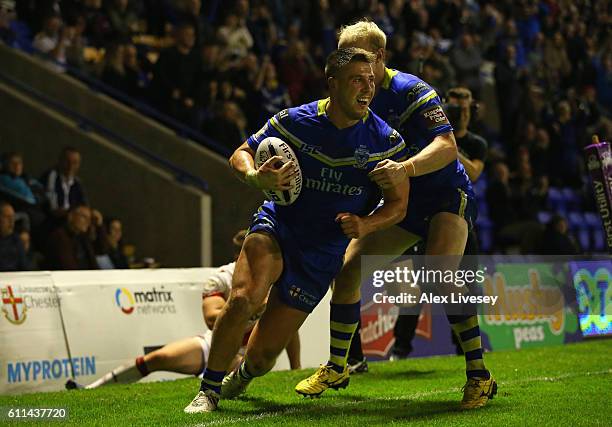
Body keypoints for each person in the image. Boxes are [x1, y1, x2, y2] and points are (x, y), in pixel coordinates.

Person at [184, 47, 409, 414]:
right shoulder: (294, 120)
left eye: (371, 80)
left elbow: (399, 205)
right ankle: (208, 390)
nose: (367, 89)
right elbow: (241, 152)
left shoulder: (386, 142)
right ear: (333, 83)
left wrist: (367, 224)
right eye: (357, 80)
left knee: (263, 358)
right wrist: (256, 177)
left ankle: (241, 376)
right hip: (279, 225)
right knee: (243, 298)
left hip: (322, 253)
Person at [296, 21, 496, 410]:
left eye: (360, 57)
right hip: (401, 203)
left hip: (443, 195)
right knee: (349, 267)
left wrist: (404, 170)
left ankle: (479, 375)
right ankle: (339, 365)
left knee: (437, 273)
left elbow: (446, 145)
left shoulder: (413, 90)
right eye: (342, 55)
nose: (348, 63)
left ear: (381, 58)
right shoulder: (351, 93)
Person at [65, 230, 301, 390]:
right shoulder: (220, 279)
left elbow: (287, 328)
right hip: (217, 342)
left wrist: (295, 369)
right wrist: (252, 307)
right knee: (158, 358)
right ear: (240, 255)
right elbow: (212, 320)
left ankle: (208, 387)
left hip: (250, 351)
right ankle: (89, 390)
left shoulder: (278, 279)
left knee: (236, 364)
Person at [44, 204, 100, 270]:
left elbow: (101, 251)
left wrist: (99, 226)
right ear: (71, 216)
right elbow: (68, 267)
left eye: (89, 219)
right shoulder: (59, 236)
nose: (88, 221)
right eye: (84, 217)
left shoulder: (83, 238)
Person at [0, 201, 28, 271]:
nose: (11, 220)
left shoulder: (16, 240)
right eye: (7, 217)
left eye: (13, 217)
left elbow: (23, 266)